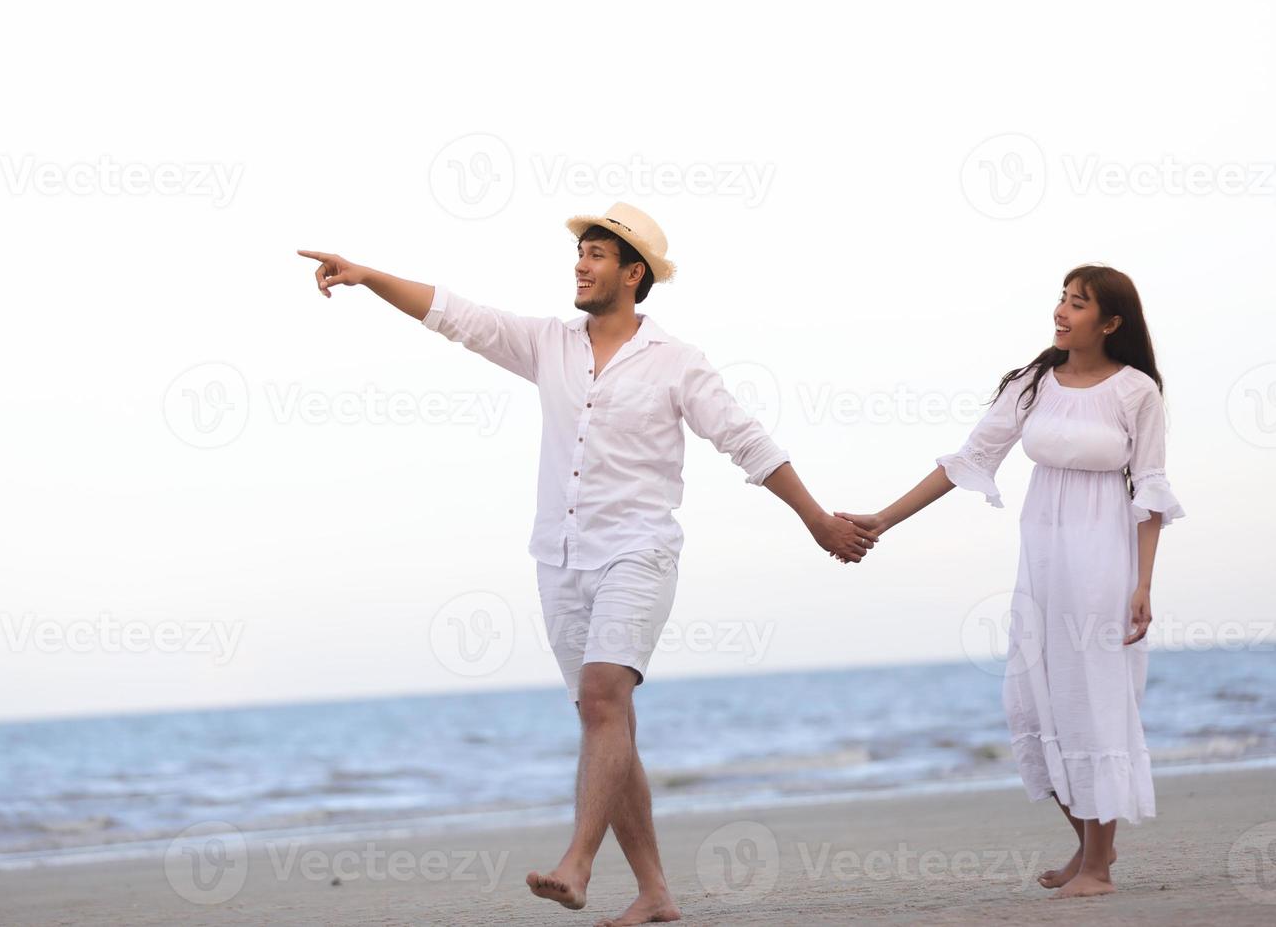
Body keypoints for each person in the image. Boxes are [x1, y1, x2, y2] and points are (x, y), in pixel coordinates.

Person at [301, 201, 875, 925]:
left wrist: (818, 520)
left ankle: (578, 862)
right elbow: (455, 314)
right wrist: (365, 275)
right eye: (582, 252)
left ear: (633, 274)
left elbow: (747, 442)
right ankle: (656, 893)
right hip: (560, 558)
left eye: (598, 255)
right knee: (606, 721)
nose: (581, 263)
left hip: (637, 550)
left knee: (606, 698)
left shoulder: (677, 362)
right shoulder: (548, 344)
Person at [838, 264, 1183, 900]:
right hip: (1044, 564)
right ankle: (1088, 846)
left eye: (1078, 305)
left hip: (1105, 561)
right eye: (1062, 298)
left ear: (1110, 323)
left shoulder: (1137, 392)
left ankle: (1099, 868)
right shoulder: (1032, 384)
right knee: (1034, 701)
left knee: (1095, 700)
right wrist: (883, 519)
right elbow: (968, 460)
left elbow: (1151, 494)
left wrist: (1143, 586)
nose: (1061, 311)